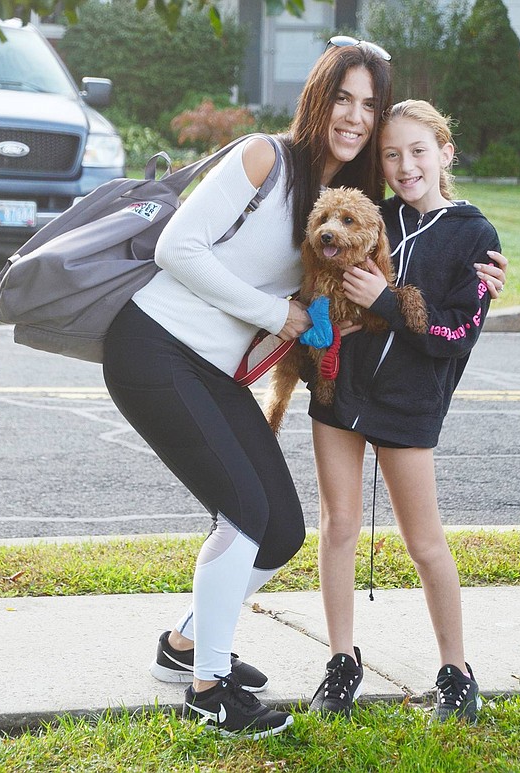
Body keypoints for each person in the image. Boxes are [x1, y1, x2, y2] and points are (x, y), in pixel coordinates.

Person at [101, 38, 398, 739]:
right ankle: (209, 687)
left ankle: (183, 647)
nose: (354, 116)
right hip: (154, 348)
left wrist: (471, 285)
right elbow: (177, 247)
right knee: (243, 512)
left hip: (210, 370)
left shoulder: (344, 206)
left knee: (282, 530)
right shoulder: (265, 159)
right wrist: (278, 313)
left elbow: (358, 286)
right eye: (344, 98)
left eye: (369, 105)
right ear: (320, 98)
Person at [307, 97, 506, 724]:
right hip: (340, 392)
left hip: (410, 403)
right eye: (391, 154)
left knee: (424, 542)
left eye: (418, 151)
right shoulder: (375, 215)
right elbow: (320, 263)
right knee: (339, 526)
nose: (404, 165)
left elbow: (456, 334)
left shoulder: (475, 235)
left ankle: (456, 670)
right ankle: (341, 663)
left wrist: (388, 302)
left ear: (446, 152)